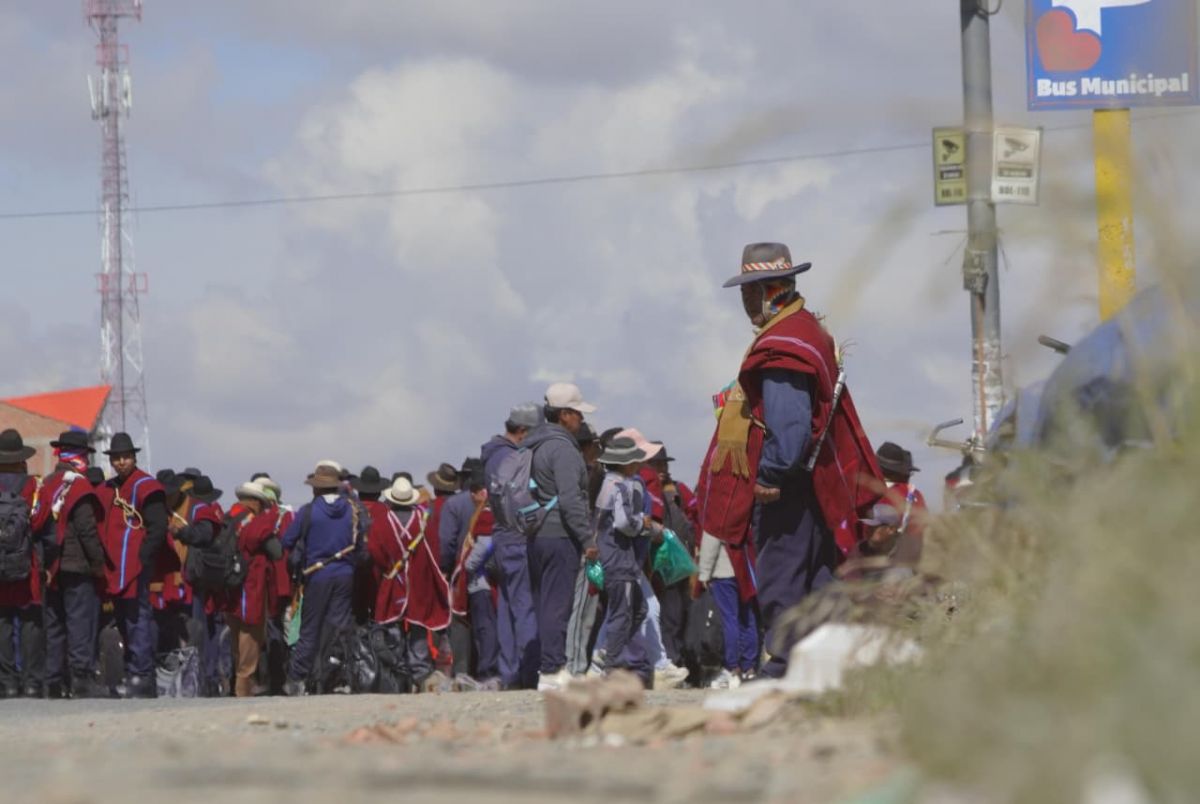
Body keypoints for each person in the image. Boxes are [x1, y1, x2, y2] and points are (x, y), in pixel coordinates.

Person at [696, 243, 882, 678]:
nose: (745, 302)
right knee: (817, 578)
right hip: (810, 483)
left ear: (770, 289)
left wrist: (769, 473)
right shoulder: (804, 331)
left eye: (750, 292)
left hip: (786, 487)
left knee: (782, 579)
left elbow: (790, 424)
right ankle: (835, 668)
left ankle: (785, 671)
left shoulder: (783, 344)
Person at [524, 382, 596, 691]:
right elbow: (570, 500)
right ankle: (552, 670)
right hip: (560, 534)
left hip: (536, 533)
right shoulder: (564, 449)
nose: (581, 418)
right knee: (558, 604)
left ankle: (549, 666)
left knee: (544, 603)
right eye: (577, 412)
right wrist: (587, 539)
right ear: (564, 414)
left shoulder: (534, 444)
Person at [280, 463, 366, 695]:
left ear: (316, 488)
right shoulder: (352, 510)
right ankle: (334, 676)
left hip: (317, 574)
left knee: (310, 628)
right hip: (345, 574)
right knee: (338, 627)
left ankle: (298, 677)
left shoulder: (308, 511)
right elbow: (360, 545)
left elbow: (286, 541)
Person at [100, 431, 168, 698]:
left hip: (136, 565)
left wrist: (142, 558)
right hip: (115, 566)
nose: (121, 462)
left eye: (125, 457)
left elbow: (158, 527)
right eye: (116, 458)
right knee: (122, 619)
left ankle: (142, 675)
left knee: (138, 618)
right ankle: (131, 672)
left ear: (133, 458)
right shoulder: (109, 489)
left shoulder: (146, 486)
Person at [39, 430, 106, 699]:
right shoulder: (79, 487)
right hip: (77, 566)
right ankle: (80, 678)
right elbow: (87, 530)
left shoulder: (47, 484)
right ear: (81, 457)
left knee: (54, 624)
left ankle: (53, 681)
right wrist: (98, 563)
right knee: (79, 622)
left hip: (51, 566)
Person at [480, 402, 543, 690]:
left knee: (507, 607)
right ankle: (530, 673)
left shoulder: (493, 454)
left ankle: (510, 673)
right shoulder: (512, 457)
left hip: (502, 537)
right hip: (518, 536)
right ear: (522, 431)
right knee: (525, 607)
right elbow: (519, 499)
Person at [591, 437, 656, 686]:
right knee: (622, 613)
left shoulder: (606, 482)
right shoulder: (620, 486)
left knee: (638, 609)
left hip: (608, 555)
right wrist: (642, 523)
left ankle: (612, 653)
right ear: (627, 463)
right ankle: (610, 664)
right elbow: (623, 523)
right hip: (618, 558)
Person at [377, 476, 452, 691]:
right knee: (418, 624)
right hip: (419, 580)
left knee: (393, 626)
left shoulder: (383, 521)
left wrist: (387, 569)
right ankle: (419, 672)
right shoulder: (423, 519)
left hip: (393, 579)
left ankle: (398, 672)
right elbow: (435, 549)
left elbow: (375, 550)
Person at [216, 481, 280, 697]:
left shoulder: (228, 517)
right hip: (249, 585)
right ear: (256, 502)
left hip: (229, 585)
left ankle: (238, 682)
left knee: (236, 636)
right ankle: (243, 685)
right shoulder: (254, 523)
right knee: (250, 635)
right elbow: (276, 550)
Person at [0, 429, 45, 698]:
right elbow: (40, 523)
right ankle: (31, 681)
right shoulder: (34, 487)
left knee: (2, 620)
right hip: (28, 563)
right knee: (30, 621)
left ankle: (6, 682)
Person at [173, 474, 226, 697]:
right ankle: (209, 677)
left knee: (199, 626)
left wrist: (182, 533)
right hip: (214, 576)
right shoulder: (217, 511)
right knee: (211, 626)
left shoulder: (199, 511)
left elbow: (201, 535)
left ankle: (202, 678)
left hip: (199, 577)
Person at [697, 530, 759, 689]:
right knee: (747, 619)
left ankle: (732, 668)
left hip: (724, 571)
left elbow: (711, 541)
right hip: (745, 570)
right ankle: (749, 668)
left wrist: (704, 574)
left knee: (729, 619)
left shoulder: (717, 513)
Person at [439, 460, 484, 679]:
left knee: (460, 621)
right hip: (487, 568)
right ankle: (484, 669)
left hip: (460, 568)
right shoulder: (493, 500)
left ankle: (462, 671)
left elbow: (446, 541)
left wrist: (446, 568)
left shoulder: (453, 504)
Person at [875, 443, 928, 570]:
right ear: (902, 473)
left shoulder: (862, 491)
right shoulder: (913, 495)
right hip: (904, 566)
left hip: (862, 565)